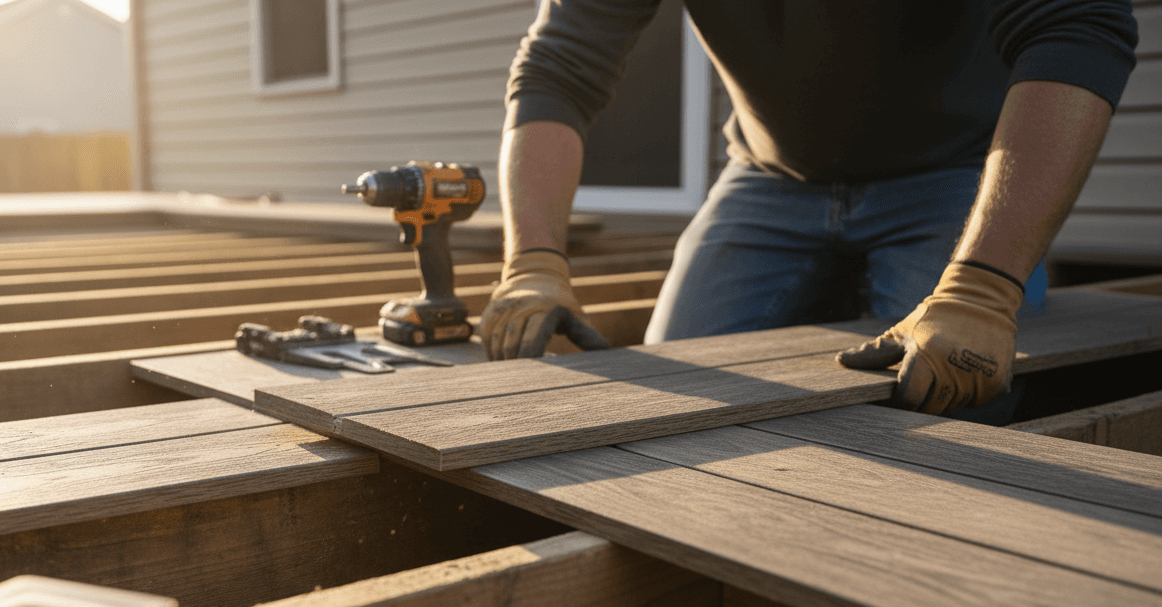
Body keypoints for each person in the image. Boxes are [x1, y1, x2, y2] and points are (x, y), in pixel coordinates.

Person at [479, 0, 1137, 418]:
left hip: (954, 170)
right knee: (662, 403)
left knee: (950, 397)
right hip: (769, 178)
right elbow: (558, 69)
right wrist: (532, 259)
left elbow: (1076, 23)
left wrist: (985, 288)